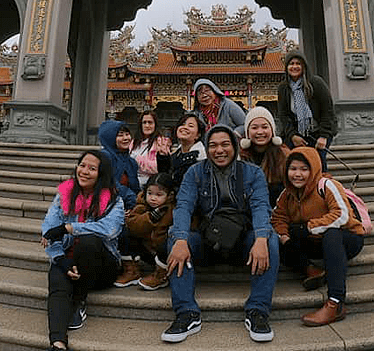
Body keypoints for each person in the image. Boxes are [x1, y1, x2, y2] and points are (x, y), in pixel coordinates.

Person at [161, 125, 278, 344]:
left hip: (242, 242)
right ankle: (186, 313)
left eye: (225, 144)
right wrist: (180, 239)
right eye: (213, 145)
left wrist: (261, 238)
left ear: (234, 146)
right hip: (209, 239)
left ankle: (258, 311)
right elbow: (184, 206)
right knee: (175, 240)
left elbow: (262, 206)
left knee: (269, 239)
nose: (219, 150)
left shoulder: (252, 173)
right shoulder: (195, 172)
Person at [271, 147, 365, 327]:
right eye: (293, 169)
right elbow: (278, 218)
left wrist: (308, 227)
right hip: (316, 243)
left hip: (346, 239)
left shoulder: (327, 185)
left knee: (331, 233)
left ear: (313, 169)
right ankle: (311, 270)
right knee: (277, 240)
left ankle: (335, 302)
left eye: (304, 169)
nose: (297, 174)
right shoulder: (287, 194)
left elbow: (342, 215)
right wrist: (285, 238)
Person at [41, 151, 125, 350]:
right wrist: (60, 259)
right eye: (82, 165)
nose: (84, 171)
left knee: (88, 242)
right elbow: (49, 229)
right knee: (57, 280)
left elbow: (109, 230)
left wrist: (70, 228)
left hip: (101, 264)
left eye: (92, 168)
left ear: (101, 174)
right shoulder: (63, 195)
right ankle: (58, 343)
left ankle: (79, 300)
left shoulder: (114, 200)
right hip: (70, 258)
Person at [114, 172, 177, 290]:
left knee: (170, 241)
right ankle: (131, 270)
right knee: (124, 233)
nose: (153, 198)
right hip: (147, 250)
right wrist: (150, 217)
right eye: (150, 193)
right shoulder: (142, 205)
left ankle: (161, 275)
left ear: (170, 196)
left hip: (164, 254)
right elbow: (132, 224)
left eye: (159, 195)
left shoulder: (174, 210)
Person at [277, 51, 337, 171]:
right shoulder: (284, 88)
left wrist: (323, 136)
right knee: (294, 164)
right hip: (296, 134)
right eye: (291, 64)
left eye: (298, 63)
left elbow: (328, 110)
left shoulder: (316, 83)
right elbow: (283, 115)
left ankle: (321, 187)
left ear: (304, 66)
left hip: (318, 132)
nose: (294, 67)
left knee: (317, 164)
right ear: (286, 67)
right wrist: (292, 135)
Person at [239, 106, 290, 207]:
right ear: (247, 132)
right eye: (254, 128)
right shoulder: (240, 156)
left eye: (265, 127)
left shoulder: (284, 155)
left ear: (272, 130)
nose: (260, 132)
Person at [158, 112, 207, 190]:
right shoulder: (177, 154)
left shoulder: (200, 158)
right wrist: (163, 158)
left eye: (190, 126)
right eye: (182, 124)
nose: (184, 127)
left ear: (198, 135)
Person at [98, 119, 140, 209]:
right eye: (120, 135)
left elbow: (135, 187)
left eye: (127, 134)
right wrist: (132, 199)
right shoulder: (104, 157)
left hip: (128, 205)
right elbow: (109, 183)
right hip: (107, 204)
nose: (125, 138)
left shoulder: (131, 162)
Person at [130, 110, 172, 187]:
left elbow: (157, 167)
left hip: (150, 185)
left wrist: (137, 159)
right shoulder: (133, 143)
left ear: (155, 125)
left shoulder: (162, 142)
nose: (147, 125)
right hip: (132, 183)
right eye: (144, 122)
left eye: (150, 122)